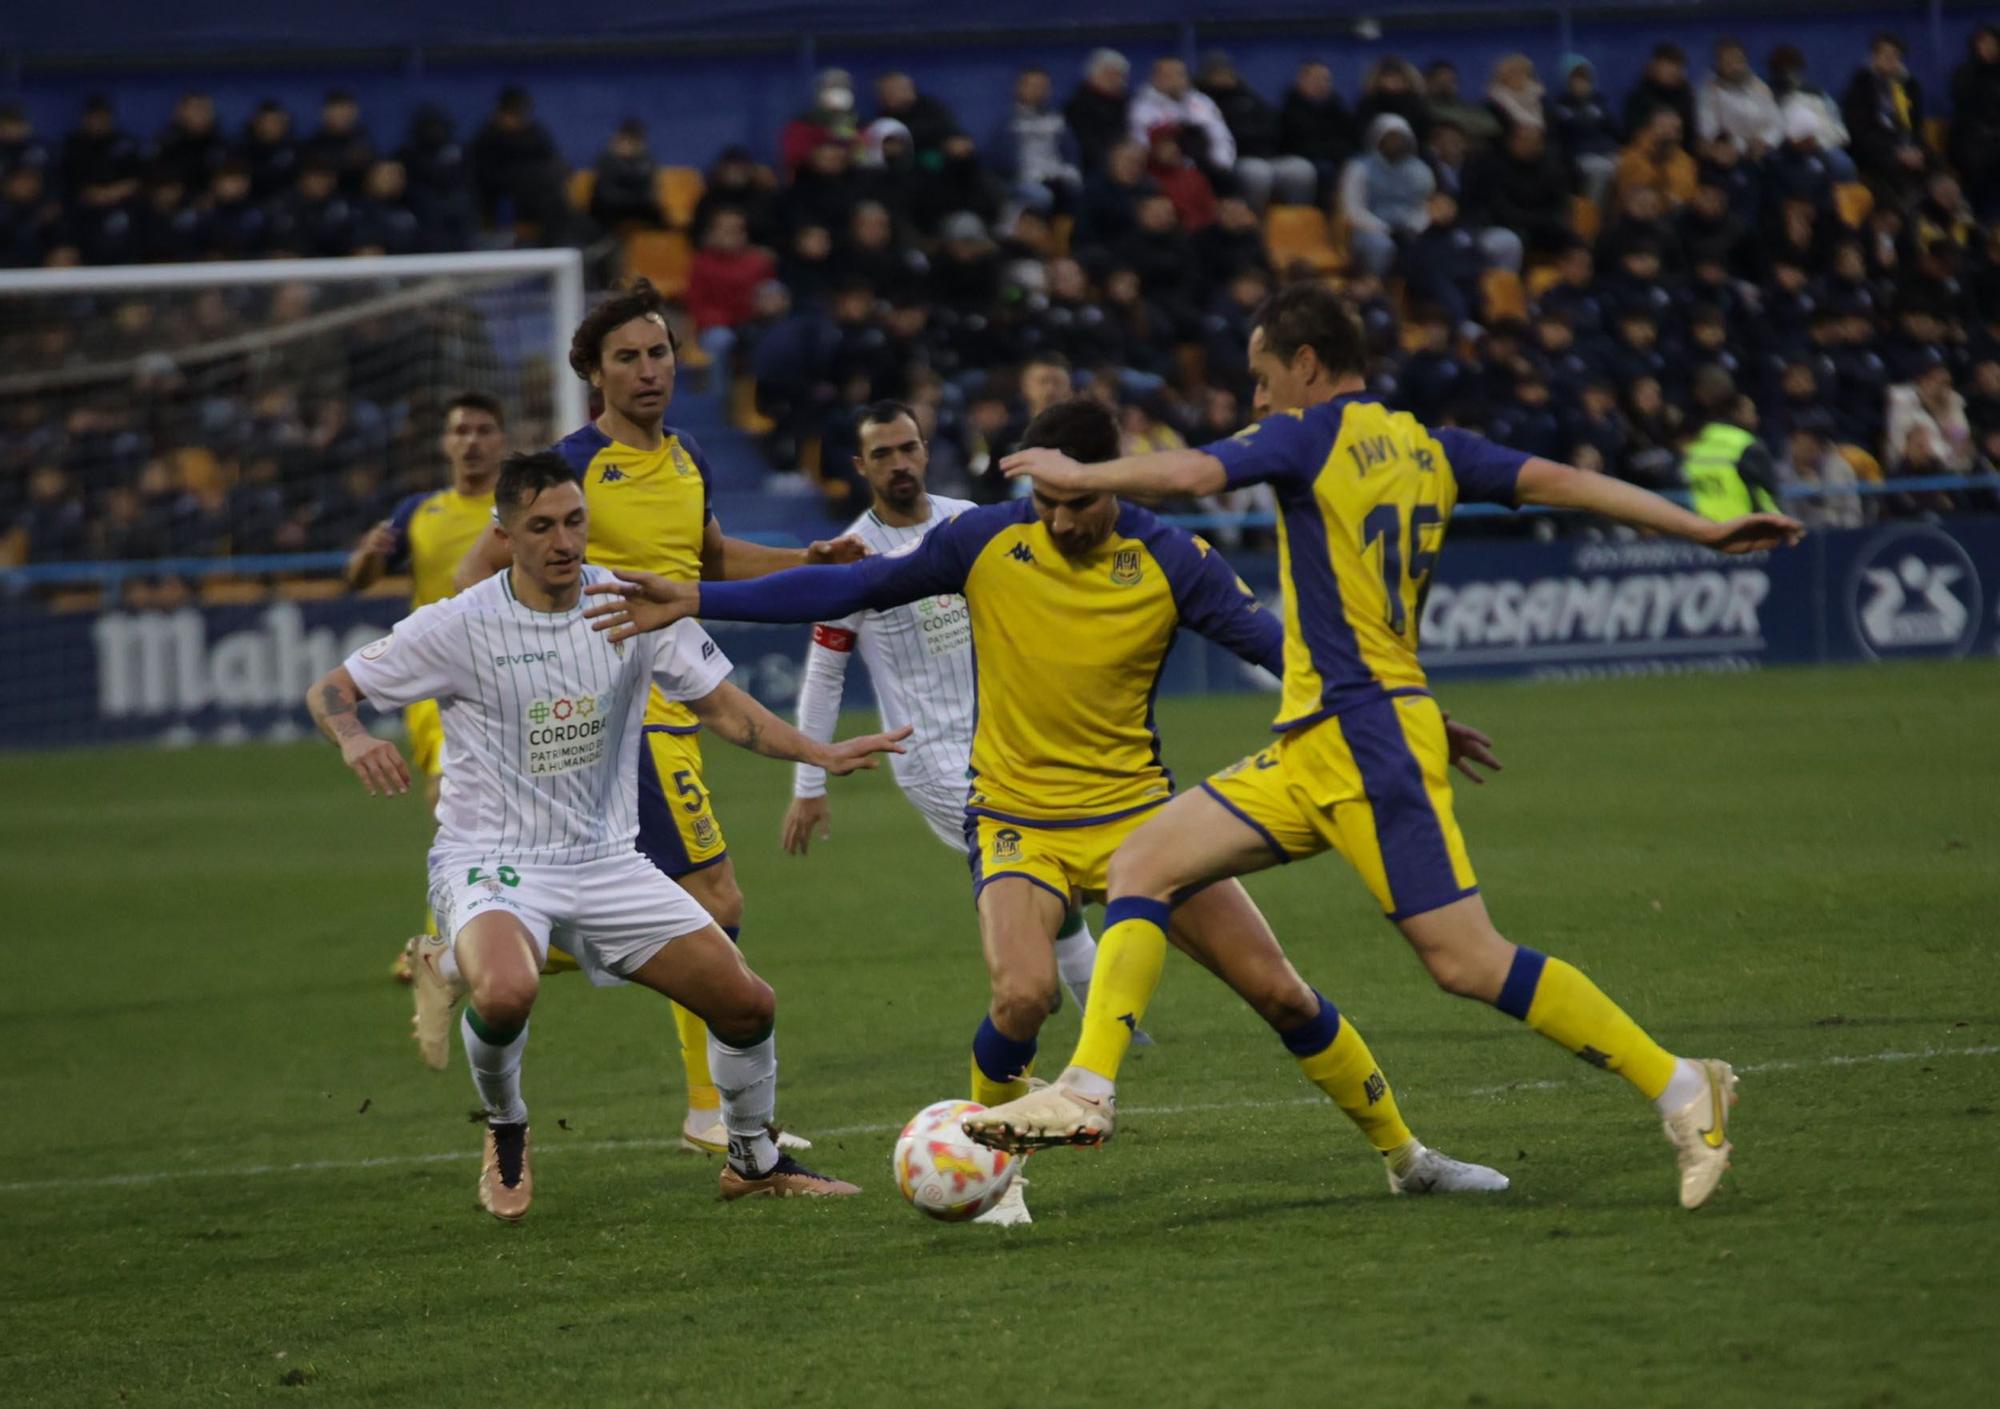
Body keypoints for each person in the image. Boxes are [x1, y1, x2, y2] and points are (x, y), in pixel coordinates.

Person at [958, 282, 1805, 1213]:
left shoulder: (1307, 434)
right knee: (1146, 858)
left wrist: (1082, 475)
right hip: (1314, 736)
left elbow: (1197, 475)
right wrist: (1700, 527)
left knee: (1467, 961)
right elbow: (1562, 481)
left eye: (1261, 377)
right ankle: (1089, 1088)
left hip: (1363, 735)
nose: (1255, 399)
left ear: (1306, 366)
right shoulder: (1434, 448)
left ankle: (1683, 1084)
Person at [587, 398, 1511, 1214]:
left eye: (1080, 499)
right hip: (1019, 819)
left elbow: (1280, 647)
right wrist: (702, 597)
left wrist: (1408, 714)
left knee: (1277, 987)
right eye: (1048, 501)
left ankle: (1408, 1157)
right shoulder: (982, 539)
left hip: (1146, 825)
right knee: (1023, 994)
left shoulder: (1165, 555)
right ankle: (999, 1179)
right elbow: (851, 584)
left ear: (1110, 480)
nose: (1062, 519)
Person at [311, 453, 891, 1218]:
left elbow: (720, 707)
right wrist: (353, 737)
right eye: (542, 526)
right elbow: (332, 688)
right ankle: (508, 1123)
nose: (564, 540)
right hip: (492, 856)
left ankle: (752, 1160)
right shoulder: (461, 624)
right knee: (510, 989)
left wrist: (818, 751)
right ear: (505, 535)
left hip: (608, 859)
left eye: (575, 520)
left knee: (748, 1003)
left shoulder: (628, 604)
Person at [439, 279, 863, 1154]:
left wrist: (805, 556)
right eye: (626, 357)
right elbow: (472, 577)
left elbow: (710, 559)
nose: (648, 370)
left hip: (682, 708)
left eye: (660, 351)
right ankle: (711, 1112)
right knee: (714, 895)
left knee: (682, 901)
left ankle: (471, 960)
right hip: (618, 719)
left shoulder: (687, 456)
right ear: (593, 372)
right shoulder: (571, 465)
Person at [343, 391, 508, 979]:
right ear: (445, 443)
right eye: (460, 430)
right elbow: (360, 579)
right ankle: (440, 942)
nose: (471, 441)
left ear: (502, 440)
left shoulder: (516, 507)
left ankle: (490, 922)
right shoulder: (419, 510)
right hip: (440, 687)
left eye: (484, 430)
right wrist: (366, 556)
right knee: (449, 799)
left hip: (513, 675)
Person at [1681, 367, 1782, 520]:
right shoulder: (1746, 445)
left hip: (1706, 533)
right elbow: (1768, 499)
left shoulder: (1695, 446)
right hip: (1746, 534)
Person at [1697, 38, 1784, 157]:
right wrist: (1743, 145)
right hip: (1731, 154)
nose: (1734, 67)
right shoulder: (1709, 91)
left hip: (1765, 150)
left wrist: (1765, 141)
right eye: (1728, 62)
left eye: (1738, 61)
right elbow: (1709, 130)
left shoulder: (1758, 86)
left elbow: (1777, 123)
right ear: (1719, 64)